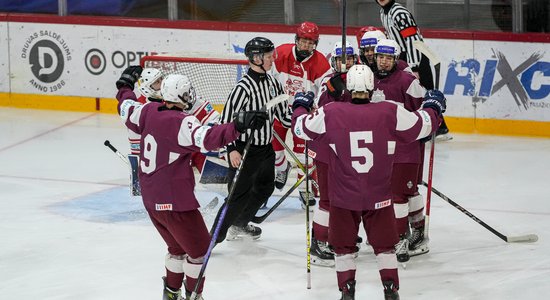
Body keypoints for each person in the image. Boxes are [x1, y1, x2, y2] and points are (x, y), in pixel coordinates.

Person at [291, 64, 446, 300]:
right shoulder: (389, 111)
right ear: (372, 86)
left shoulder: (331, 112)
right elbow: (422, 124)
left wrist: (300, 105)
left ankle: (347, 290)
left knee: (343, 248)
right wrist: (434, 107)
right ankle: (390, 289)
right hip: (379, 196)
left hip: (343, 198)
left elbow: (300, 128)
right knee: (385, 246)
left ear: (349, 87)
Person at [116, 72, 267, 300]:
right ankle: (193, 295)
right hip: (176, 202)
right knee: (199, 252)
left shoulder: (146, 110)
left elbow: (125, 106)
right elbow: (208, 138)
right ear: (183, 95)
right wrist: (237, 126)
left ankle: (171, 293)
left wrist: (124, 86)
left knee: (177, 249)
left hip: (152, 202)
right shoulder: (182, 122)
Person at [215, 37, 291, 242]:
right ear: (256, 58)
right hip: (244, 150)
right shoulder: (243, 88)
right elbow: (225, 121)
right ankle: (212, 240)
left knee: (266, 188)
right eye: (268, 57)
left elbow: (284, 116)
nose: (272, 60)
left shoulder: (274, 83)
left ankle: (239, 223)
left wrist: (305, 114)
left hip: (265, 149)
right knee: (235, 199)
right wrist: (231, 149)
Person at [372, 39, 429, 263]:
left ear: (396, 59)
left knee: (400, 195)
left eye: (388, 58)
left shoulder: (407, 80)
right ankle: (415, 230)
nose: (384, 62)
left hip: (405, 148)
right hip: (379, 148)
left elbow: (424, 110)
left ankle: (401, 237)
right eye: (380, 57)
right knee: (400, 193)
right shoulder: (369, 78)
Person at [308, 40, 358, 267]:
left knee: (347, 197)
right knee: (328, 199)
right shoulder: (329, 80)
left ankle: (339, 233)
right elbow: (319, 109)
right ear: (334, 61)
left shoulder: (359, 76)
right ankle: (318, 242)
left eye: (348, 58)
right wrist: (333, 93)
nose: (344, 63)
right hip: (327, 149)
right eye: (340, 59)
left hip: (348, 149)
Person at [375, 0, 451, 140]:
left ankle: (439, 127)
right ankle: (438, 127)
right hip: (403, 56)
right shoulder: (383, 12)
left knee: (424, 92)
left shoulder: (399, 13)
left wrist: (415, 67)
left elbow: (412, 40)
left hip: (417, 56)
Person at [271, 21, 332, 194]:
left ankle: (305, 190)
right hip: (279, 111)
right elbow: (268, 78)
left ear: (315, 44)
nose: (306, 45)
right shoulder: (281, 53)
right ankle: (282, 168)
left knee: (303, 156)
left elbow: (324, 92)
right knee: (275, 152)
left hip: (303, 117)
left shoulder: (321, 63)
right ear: (296, 39)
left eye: (310, 42)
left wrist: (316, 110)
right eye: (303, 41)